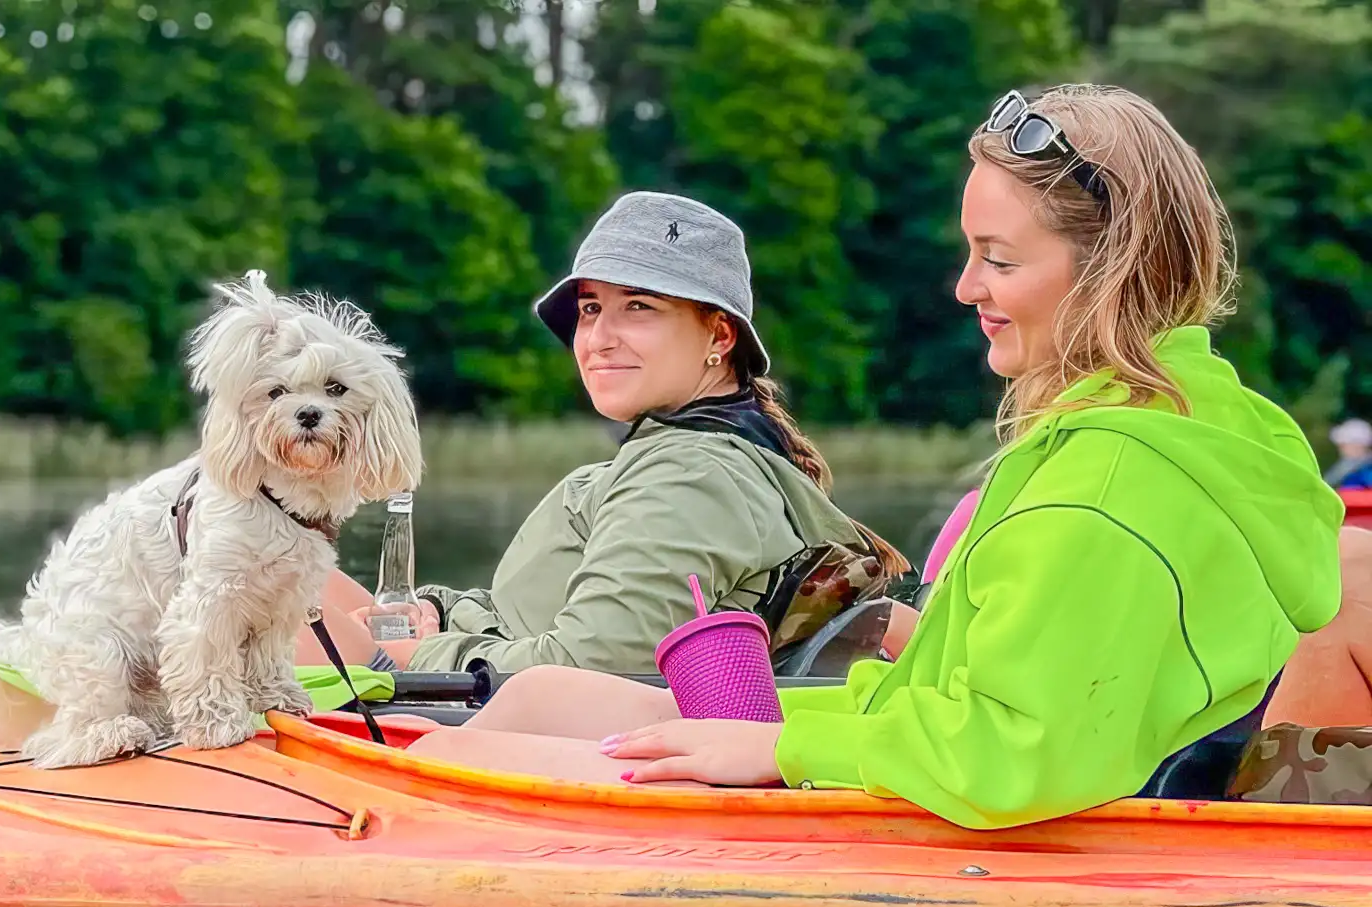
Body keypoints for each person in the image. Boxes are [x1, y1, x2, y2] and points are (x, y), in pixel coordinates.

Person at [413, 84, 1345, 830]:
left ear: (1112, 272)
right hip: (961, 776)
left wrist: (779, 749)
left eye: (999, 260)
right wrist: (748, 725)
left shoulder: (1103, 485)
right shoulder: (1188, 424)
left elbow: (1014, 756)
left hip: (991, 835)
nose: (966, 287)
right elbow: (959, 704)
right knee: (545, 699)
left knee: (451, 761)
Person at [297, 191, 907, 678]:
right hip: (490, 682)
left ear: (720, 337)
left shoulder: (689, 475)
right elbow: (536, 615)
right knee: (276, 550)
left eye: (638, 307)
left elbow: (593, 668)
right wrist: (439, 609)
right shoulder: (686, 453)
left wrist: (415, 656)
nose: (599, 338)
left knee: (261, 569)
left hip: (488, 719)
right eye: (591, 308)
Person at [1325, 419, 1372, 490]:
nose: (1340, 448)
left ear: (1358, 445)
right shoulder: (1345, 466)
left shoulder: (1366, 473)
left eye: (1344, 444)